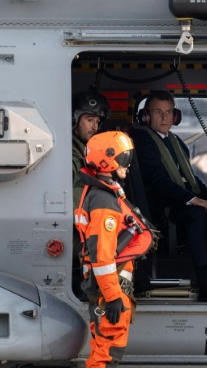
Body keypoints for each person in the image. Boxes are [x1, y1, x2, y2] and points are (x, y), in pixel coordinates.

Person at [131, 90, 207, 301]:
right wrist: (194, 200)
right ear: (146, 116)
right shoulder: (143, 140)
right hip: (162, 209)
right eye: (158, 112)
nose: (165, 117)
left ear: (175, 116)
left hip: (183, 202)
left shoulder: (176, 142)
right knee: (198, 214)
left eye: (169, 112)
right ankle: (205, 284)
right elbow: (157, 180)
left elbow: (193, 182)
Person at [75, 130, 136, 368]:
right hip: (108, 291)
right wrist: (112, 298)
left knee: (108, 352)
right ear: (108, 159)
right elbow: (102, 255)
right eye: (124, 158)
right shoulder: (104, 201)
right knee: (105, 355)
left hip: (108, 288)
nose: (127, 165)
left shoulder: (102, 194)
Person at [72, 90, 111, 298]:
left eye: (97, 122)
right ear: (74, 119)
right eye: (89, 120)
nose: (95, 127)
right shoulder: (71, 155)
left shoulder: (86, 151)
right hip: (76, 232)